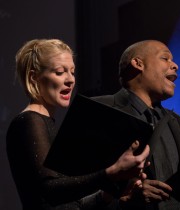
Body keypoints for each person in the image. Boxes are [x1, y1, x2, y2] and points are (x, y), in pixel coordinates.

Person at [6, 39, 150, 210]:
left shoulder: (45, 123)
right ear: (33, 77)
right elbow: (49, 191)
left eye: (72, 72)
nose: (70, 80)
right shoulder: (30, 121)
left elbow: (69, 204)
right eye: (60, 72)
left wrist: (108, 195)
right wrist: (111, 173)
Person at [92, 40, 180, 210]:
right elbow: (76, 188)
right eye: (165, 58)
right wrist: (125, 201)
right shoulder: (99, 110)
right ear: (138, 63)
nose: (175, 65)